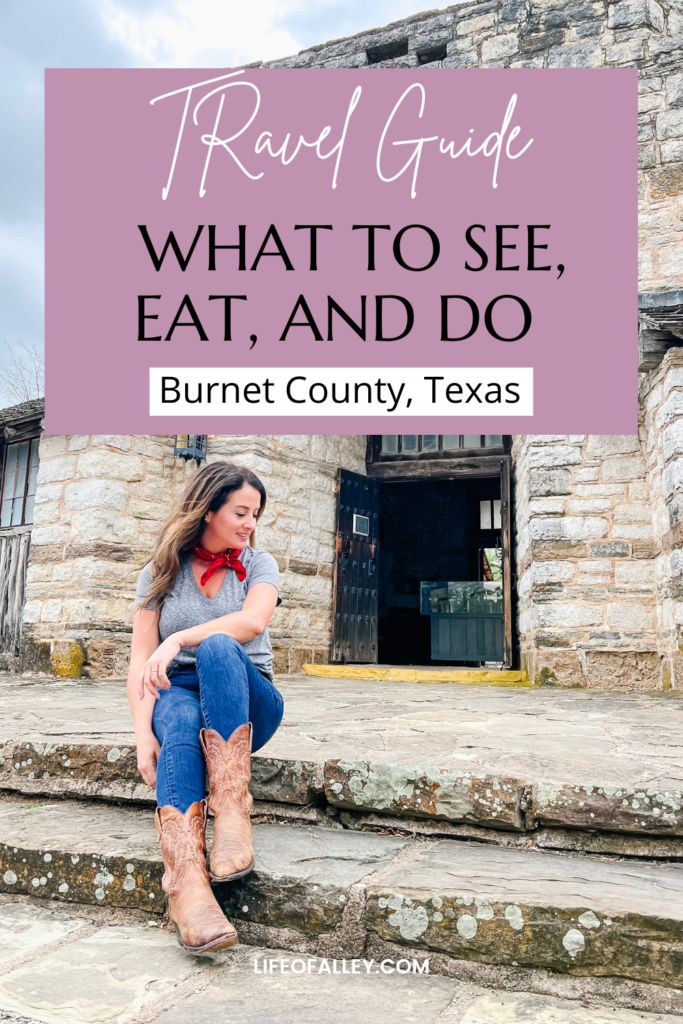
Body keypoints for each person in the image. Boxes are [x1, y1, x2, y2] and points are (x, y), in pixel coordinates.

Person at [127, 460, 284, 955]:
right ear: (209, 508)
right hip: (178, 692)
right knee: (177, 716)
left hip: (247, 694)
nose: (249, 525)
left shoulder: (259, 565)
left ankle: (232, 812)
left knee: (218, 648)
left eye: (255, 514)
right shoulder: (159, 571)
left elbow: (253, 623)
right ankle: (187, 885)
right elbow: (139, 663)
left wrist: (179, 637)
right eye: (241, 512)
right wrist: (141, 736)